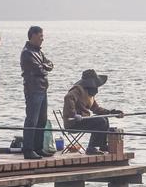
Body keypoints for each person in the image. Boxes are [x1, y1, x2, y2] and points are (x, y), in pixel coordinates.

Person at [62, 69, 123, 155]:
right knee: (99, 121)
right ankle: (91, 148)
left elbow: (96, 109)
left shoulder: (89, 94)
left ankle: (102, 145)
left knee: (104, 119)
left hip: (84, 120)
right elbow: (68, 98)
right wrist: (74, 114)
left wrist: (112, 113)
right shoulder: (78, 90)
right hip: (73, 122)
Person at [20, 26, 54, 160]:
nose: (42, 39)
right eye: (40, 36)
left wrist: (45, 67)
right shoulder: (27, 52)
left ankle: (38, 148)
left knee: (42, 120)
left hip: (42, 89)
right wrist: (45, 67)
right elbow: (39, 69)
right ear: (33, 36)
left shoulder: (39, 52)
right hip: (33, 89)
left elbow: (49, 64)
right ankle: (28, 149)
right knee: (31, 120)